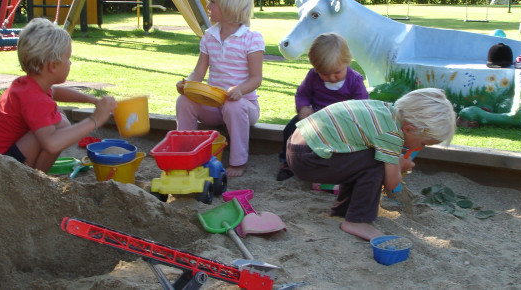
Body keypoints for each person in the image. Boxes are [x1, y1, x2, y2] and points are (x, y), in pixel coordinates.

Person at [286, 88, 456, 241]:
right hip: (309, 158)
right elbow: (391, 184)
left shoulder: (384, 109)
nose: (420, 148)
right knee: (376, 162)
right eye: (424, 143)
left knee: (363, 160)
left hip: (299, 147)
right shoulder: (391, 133)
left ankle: (343, 211)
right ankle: (357, 221)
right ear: (409, 129)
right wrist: (399, 165)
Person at [0, 18, 117, 173]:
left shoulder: (27, 85)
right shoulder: (35, 99)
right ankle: (37, 179)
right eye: (68, 59)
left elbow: (56, 92)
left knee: (58, 118)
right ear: (53, 66)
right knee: (57, 127)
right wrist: (95, 120)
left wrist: (93, 100)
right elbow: (52, 144)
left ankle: (37, 177)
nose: (70, 63)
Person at [175, 0, 264, 177]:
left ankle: (239, 162)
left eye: (213, 2)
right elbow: (198, 72)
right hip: (214, 105)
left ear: (230, 7)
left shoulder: (251, 38)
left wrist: (239, 90)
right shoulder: (209, 36)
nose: (208, 6)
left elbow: (256, 78)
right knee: (184, 100)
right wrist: (188, 85)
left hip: (244, 106)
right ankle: (186, 152)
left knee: (234, 105)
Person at [276, 32, 369, 181]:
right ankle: (288, 162)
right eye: (324, 74)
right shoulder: (313, 76)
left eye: (337, 72)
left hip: (342, 120)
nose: (331, 77)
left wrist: (352, 120)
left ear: (347, 61)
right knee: (290, 129)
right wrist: (304, 108)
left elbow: (362, 105)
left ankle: (340, 167)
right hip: (315, 116)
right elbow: (302, 94)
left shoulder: (355, 81)